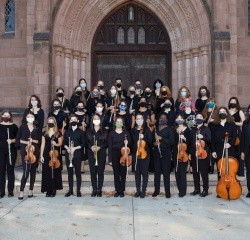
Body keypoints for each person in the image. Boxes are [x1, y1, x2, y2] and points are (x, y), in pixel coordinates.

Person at [16, 112, 42, 200]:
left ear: (34, 118)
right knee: (26, 172)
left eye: (32, 117)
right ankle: (21, 191)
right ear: (26, 118)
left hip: (35, 152)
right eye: (28, 117)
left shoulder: (36, 128)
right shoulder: (22, 127)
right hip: (25, 152)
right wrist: (27, 142)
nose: (30, 118)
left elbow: (39, 141)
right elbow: (18, 140)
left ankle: (31, 190)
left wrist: (33, 140)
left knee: (33, 172)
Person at [152, 112, 174, 198]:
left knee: (166, 173)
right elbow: (152, 142)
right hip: (157, 153)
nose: (162, 119)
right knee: (156, 173)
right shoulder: (156, 129)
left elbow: (172, 142)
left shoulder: (170, 129)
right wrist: (154, 143)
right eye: (161, 118)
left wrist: (161, 138)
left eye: (164, 118)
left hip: (166, 153)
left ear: (167, 120)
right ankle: (156, 191)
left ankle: (167, 192)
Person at [211, 107, 237, 179]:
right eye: (220, 112)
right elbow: (212, 139)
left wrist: (230, 144)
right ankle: (221, 188)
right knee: (220, 170)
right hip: (218, 149)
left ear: (227, 113)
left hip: (230, 149)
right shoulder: (214, 125)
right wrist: (213, 151)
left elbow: (234, 137)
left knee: (230, 169)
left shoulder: (232, 124)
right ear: (218, 114)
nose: (222, 113)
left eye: (224, 111)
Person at [63, 114, 86, 197]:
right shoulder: (67, 131)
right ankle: (70, 190)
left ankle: (78, 191)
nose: (73, 121)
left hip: (77, 155)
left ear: (77, 121)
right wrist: (67, 148)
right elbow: (64, 143)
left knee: (78, 173)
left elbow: (83, 144)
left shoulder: (81, 132)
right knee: (70, 174)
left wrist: (75, 148)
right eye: (71, 119)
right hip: (68, 154)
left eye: (74, 119)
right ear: (70, 121)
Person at [108, 117, 131, 197]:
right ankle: (117, 190)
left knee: (123, 172)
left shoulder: (126, 133)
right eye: (117, 121)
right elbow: (110, 147)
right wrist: (110, 159)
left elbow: (130, 144)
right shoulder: (111, 133)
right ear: (115, 123)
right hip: (114, 154)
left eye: (120, 121)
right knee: (116, 173)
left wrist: (127, 142)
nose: (118, 123)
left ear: (122, 123)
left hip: (123, 154)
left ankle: (122, 190)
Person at [40, 117, 63, 197]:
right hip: (46, 154)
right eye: (49, 122)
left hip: (55, 154)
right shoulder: (44, 133)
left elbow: (60, 143)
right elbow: (42, 144)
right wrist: (41, 155)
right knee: (47, 172)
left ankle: (54, 189)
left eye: (52, 122)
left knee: (55, 172)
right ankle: (48, 189)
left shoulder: (58, 133)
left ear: (54, 123)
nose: (50, 123)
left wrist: (55, 144)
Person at [131, 114, 152, 198]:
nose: (139, 120)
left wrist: (144, 138)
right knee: (137, 173)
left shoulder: (147, 130)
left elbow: (150, 142)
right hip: (136, 154)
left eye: (141, 118)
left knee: (144, 173)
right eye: (137, 118)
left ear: (143, 120)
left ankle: (143, 190)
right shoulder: (133, 130)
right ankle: (138, 190)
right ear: (135, 120)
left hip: (145, 154)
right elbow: (132, 143)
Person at [189, 113, 211, 197]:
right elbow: (191, 143)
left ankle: (205, 190)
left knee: (204, 172)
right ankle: (197, 189)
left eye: (200, 117)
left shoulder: (206, 129)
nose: (199, 118)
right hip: (194, 153)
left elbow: (209, 140)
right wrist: (190, 153)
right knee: (195, 172)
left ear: (203, 119)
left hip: (203, 153)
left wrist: (203, 137)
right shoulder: (193, 130)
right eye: (197, 117)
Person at [86, 114, 108, 197]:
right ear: (92, 120)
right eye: (94, 118)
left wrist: (100, 147)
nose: (96, 120)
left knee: (100, 172)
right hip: (91, 153)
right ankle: (94, 189)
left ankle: (99, 190)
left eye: (97, 118)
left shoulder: (104, 131)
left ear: (100, 120)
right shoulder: (89, 131)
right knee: (93, 172)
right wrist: (90, 147)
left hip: (101, 153)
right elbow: (86, 142)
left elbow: (106, 143)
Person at [0, 110, 18, 198]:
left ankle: (10, 191)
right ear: (2, 116)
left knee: (10, 171)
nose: (6, 117)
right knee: (1, 171)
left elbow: (17, 138)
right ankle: (1, 191)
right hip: (1, 151)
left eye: (8, 115)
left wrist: (12, 140)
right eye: (4, 115)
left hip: (11, 151)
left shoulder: (14, 127)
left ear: (10, 117)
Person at [173, 114, 191, 197]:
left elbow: (190, 142)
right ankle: (180, 189)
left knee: (183, 173)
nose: (179, 119)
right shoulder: (174, 130)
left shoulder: (187, 130)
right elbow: (172, 143)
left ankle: (183, 191)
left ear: (184, 120)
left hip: (184, 153)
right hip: (176, 153)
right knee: (177, 172)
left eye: (181, 118)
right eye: (178, 118)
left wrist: (184, 138)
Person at [228, 97, 245, 176]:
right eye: (231, 102)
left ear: (237, 103)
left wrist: (235, 123)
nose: (233, 103)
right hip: (229, 132)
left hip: (237, 132)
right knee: (231, 152)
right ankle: (232, 170)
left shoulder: (240, 112)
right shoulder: (227, 111)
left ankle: (240, 171)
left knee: (238, 151)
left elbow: (244, 123)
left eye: (234, 102)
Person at [241, 105, 250, 198]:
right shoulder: (245, 123)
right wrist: (242, 152)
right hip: (247, 151)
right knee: (249, 171)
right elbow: (243, 137)